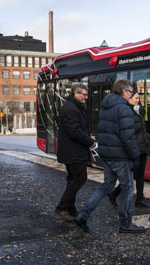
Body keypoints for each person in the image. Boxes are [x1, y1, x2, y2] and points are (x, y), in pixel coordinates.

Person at [74, 79, 144, 233]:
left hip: (106, 153)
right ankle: (126, 224)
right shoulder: (124, 109)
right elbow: (127, 137)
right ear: (125, 92)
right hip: (120, 156)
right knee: (128, 188)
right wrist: (135, 156)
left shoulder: (106, 107)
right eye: (131, 91)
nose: (132, 94)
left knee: (107, 186)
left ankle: (83, 216)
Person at [54, 82, 96, 221]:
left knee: (72, 179)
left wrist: (87, 137)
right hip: (73, 151)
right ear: (75, 94)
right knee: (80, 178)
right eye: (83, 94)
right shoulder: (71, 108)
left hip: (72, 150)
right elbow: (75, 131)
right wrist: (89, 141)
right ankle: (61, 208)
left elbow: (76, 129)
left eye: (86, 94)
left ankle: (71, 209)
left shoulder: (73, 107)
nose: (86, 97)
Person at [108, 96, 150, 208]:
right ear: (129, 99)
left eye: (139, 98)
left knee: (140, 175)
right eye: (136, 98)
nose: (139, 100)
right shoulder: (126, 113)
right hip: (135, 148)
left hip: (143, 147)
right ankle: (114, 193)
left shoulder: (138, 112)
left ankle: (139, 200)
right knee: (132, 175)